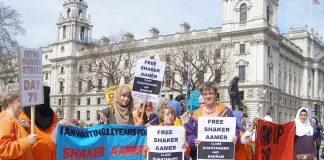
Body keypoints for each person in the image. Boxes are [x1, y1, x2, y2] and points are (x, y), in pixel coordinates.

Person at [185, 82, 239, 159]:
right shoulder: (196, 114)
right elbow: (189, 134)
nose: (208, 96)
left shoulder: (226, 111)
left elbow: (236, 129)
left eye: (211, 93)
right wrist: (194, 140)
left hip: (222, 154)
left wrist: (235, 137)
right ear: (202, 96)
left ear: (216, 94)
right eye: (205, 94)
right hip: (202, 155)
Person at [18, 86, 57, 160]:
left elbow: (57, 130)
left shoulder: (51, 114)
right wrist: (29, 127)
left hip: (52, 156)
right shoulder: (25, 115)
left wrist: (66, 124)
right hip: (35, 156)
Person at [0, 83, 36, 160]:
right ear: (8, 102)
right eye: (19, 101)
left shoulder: (14, 119)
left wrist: (28, 129)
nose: (23, 104)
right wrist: (27, 141)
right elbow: (4, 149)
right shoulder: (5, 120)